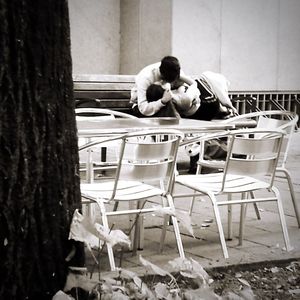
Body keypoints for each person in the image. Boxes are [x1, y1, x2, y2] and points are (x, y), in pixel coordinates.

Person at [131, 56, 199, 117]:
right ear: (163, 77)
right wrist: (162, 101)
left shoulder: (173, 69)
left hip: (168, 105)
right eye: (169, 82)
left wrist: (193, 97)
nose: (172, 84)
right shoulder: (146, 78)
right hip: (144, 109)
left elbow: (189, 86)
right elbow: (143, 108)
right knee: (157, 90)